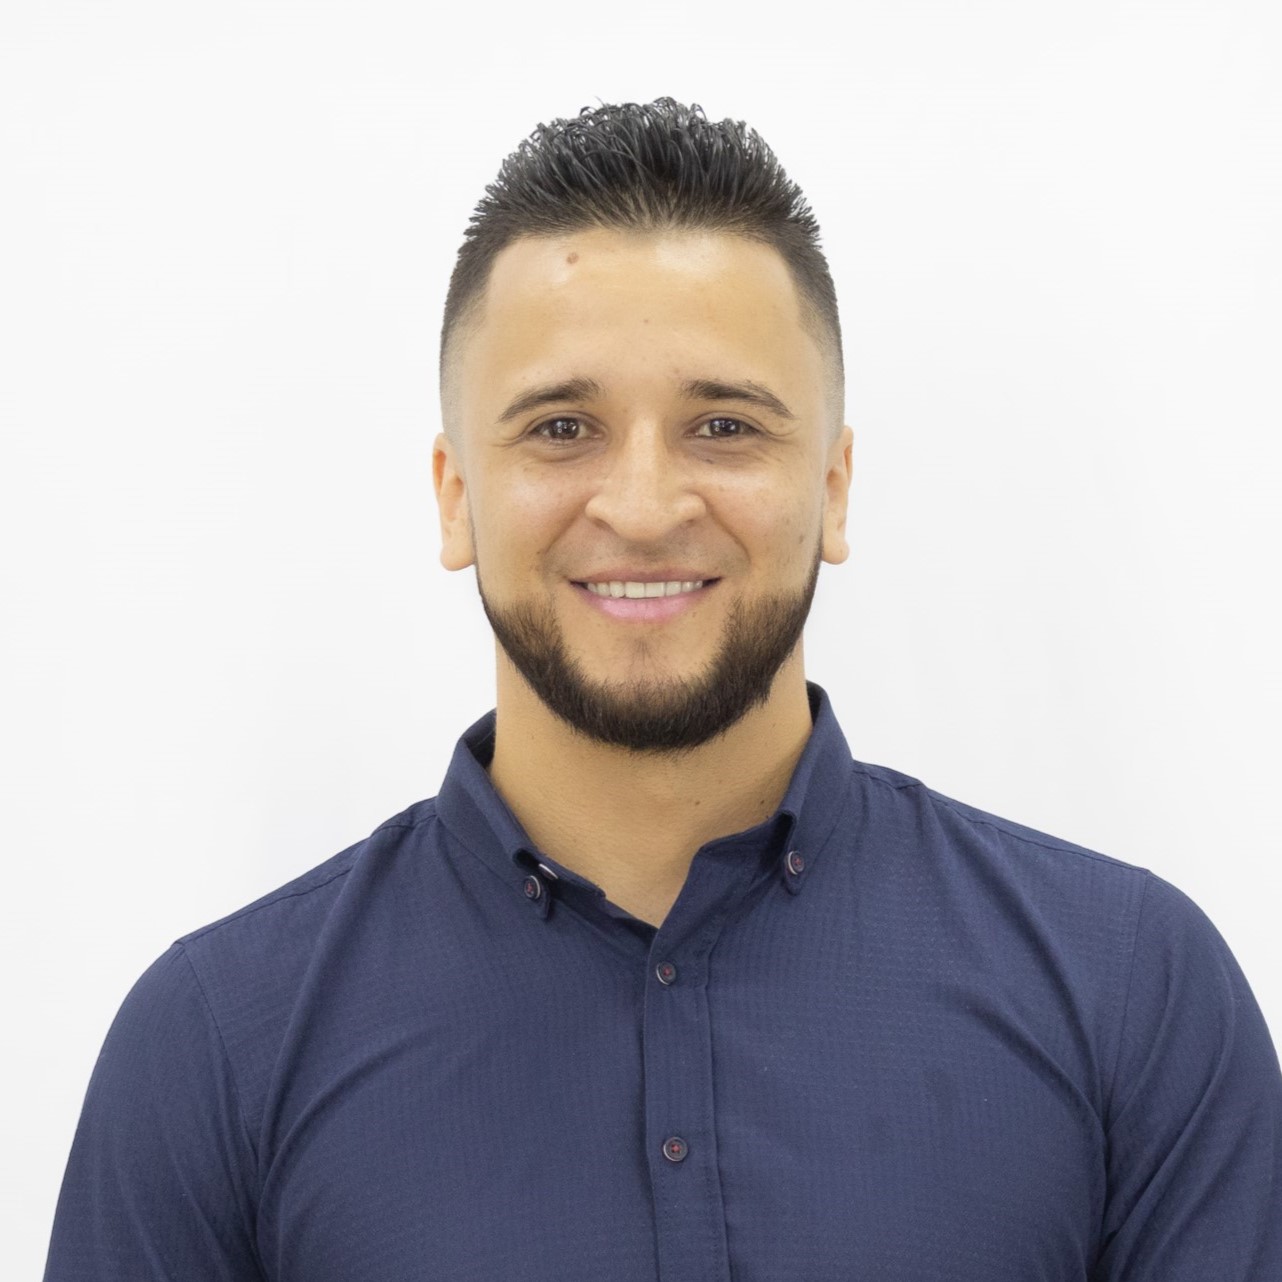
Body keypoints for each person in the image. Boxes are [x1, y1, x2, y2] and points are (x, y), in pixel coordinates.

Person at [44, 98, 1281, 1281]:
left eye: (725, 427)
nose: (641, 507)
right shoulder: (216, 1045)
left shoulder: (1132, 992)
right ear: (455, 495)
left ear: (834, 488)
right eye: (560, 428)